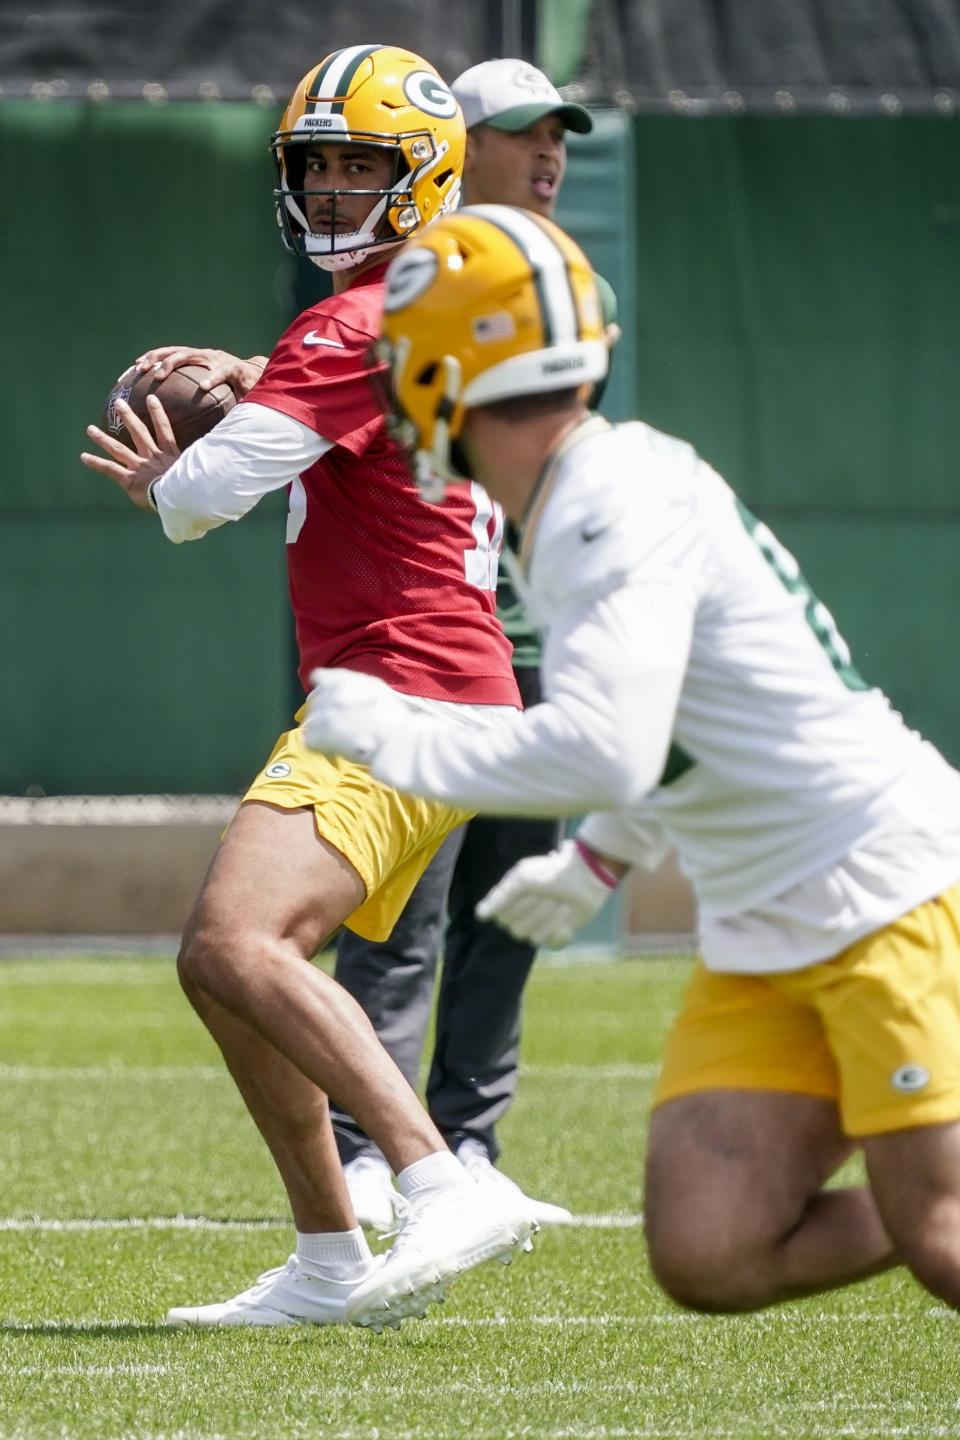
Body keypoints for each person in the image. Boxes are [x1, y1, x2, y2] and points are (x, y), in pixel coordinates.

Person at [303, 205, 960, 1314]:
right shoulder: (581, 491)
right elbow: (685, 721)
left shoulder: (603, 501)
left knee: (943, 1237)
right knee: (713, 1249)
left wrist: (395, 733)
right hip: (766, 919)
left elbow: (608, 747)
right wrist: (599, 864)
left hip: (875, 887)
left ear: (437, 373)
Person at [79, 49, 537, 1333]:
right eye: (318, 164)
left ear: (424, 176)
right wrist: (258, 378)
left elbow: (202, 502)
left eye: (362, 166)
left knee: (237, 943)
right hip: (429, 682)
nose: (335, 188)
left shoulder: (356, 319)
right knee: (219, 965)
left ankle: (441, 1178)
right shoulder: (421, 310)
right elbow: (348, 431)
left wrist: (162, 470)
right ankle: (331, 1256)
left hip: (406, 683)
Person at [331, 58, 597, 1233]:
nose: (547, 155)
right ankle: (363, 1154)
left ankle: (470, 1145)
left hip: (534, 637)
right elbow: (341, 399)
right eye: (520, 133)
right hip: (429, 643)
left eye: (560, 137)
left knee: (506, 902)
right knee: (399, 910)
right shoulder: (399, 280)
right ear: (456, 149)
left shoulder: (556, 277)